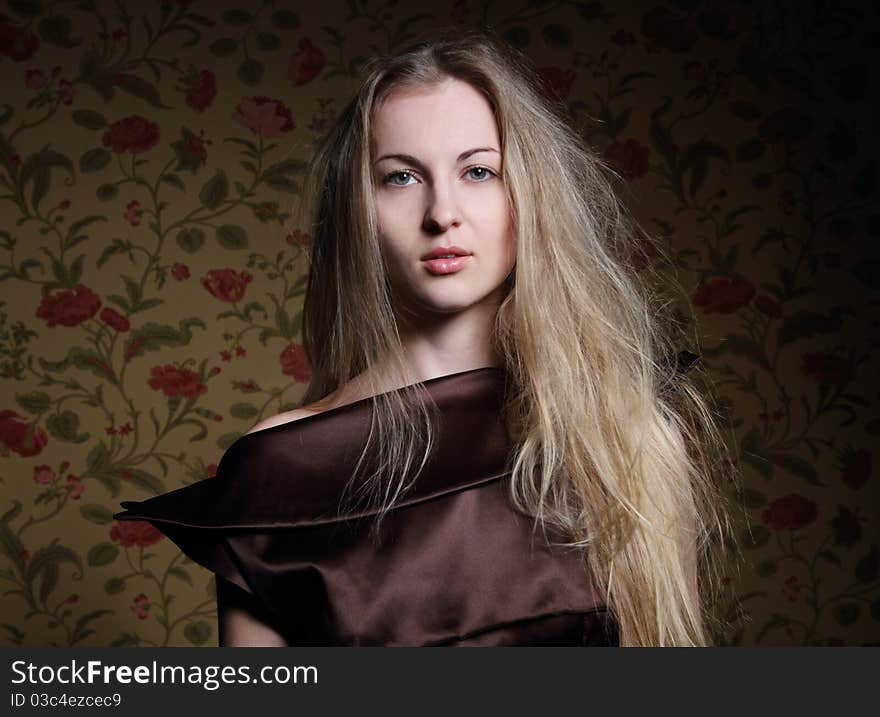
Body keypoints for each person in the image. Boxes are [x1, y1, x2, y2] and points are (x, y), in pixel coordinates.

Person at [116, 29, 741, 646]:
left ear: (529, 194)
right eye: (401, 178)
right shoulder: (278, 473)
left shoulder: (626, 436)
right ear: (359, 211)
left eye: (478, 171)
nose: (443, 212)